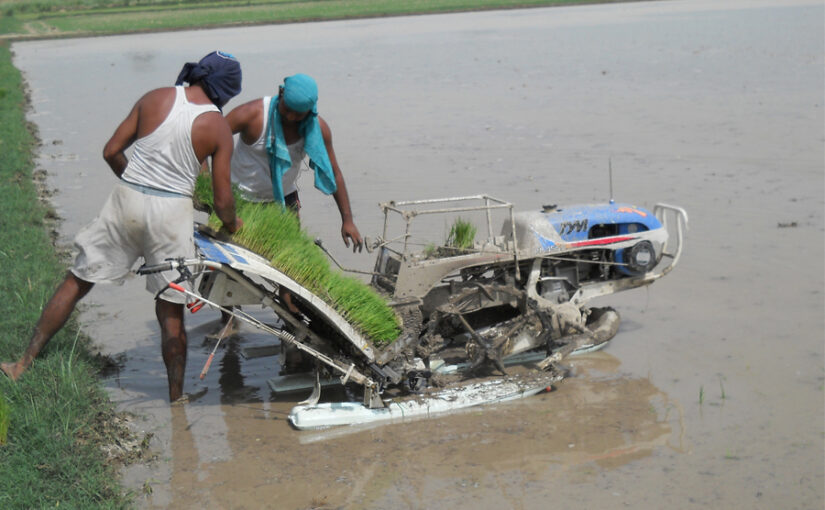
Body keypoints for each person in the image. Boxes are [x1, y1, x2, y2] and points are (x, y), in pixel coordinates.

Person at [1, 51, 244, 403]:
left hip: (126, 199)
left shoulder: (156, 97)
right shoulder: (217, 126)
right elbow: (222, 201)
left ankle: (22, 364)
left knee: (77, 280)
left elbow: (111, 151)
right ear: (225, 89)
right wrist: (233, 224)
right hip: (171, 212)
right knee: (170, 305)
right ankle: (176, 397)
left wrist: (135, 183)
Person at [208, 73, 363, 339]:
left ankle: (293, 325)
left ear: (310, 111)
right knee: (227, 268)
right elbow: (207, 139)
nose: (291, 118)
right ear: (280, 94)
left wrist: (347, 219)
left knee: (289, 270)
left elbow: (334, 171)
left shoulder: (316, 128)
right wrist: (206, 184)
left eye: (299, 115)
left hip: (283, 204)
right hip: (238, 200)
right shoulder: (251, 115)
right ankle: (229, 320)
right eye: (287, 110)